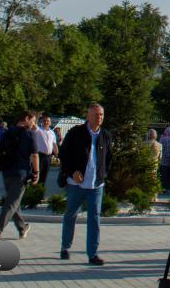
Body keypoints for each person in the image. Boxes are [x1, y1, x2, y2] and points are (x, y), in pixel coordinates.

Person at [58, 103, 111, 266]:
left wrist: (103, 175)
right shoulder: (76, 133)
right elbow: (63, 154)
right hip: (76, 184)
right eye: (96, 114)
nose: (99, 117)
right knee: (70, 215)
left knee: (94, 219)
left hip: (96, 185)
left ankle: (93, 254)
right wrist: (72, 171)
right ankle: (65, 247)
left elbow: (109, 158)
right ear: (88, 116)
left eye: (101, 114)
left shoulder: (106, 135)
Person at [0, 110, 40, 240]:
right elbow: (34, 155)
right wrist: (36, 172)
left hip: (6, 171)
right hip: (21, 173)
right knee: (11, 203)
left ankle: (22, 227)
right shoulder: (31, 134)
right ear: (27, 118)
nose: (34, 124)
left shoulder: (7, 132)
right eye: (33, 120)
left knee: (13, 202)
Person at [35, 116, 56, 189]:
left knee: (45, 175)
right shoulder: (38, 130)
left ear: (50, 123)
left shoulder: (52, 132)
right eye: (44, 121)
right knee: (37, 174)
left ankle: (40, 192)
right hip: (40, 155)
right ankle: (33, 192)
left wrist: (57, 155)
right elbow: (34, 126)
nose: (46, 122)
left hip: (48, 157)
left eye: (48, 121)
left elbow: (54, 144)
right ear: (42, 122)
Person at [159, 125, 170, 191]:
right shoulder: (168, 140)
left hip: (162, 161)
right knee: (167, 176)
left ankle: (163, 188)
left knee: (163, 176)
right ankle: (167, 189)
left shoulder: (162, 138)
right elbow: (168, 152)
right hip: (167, 162)